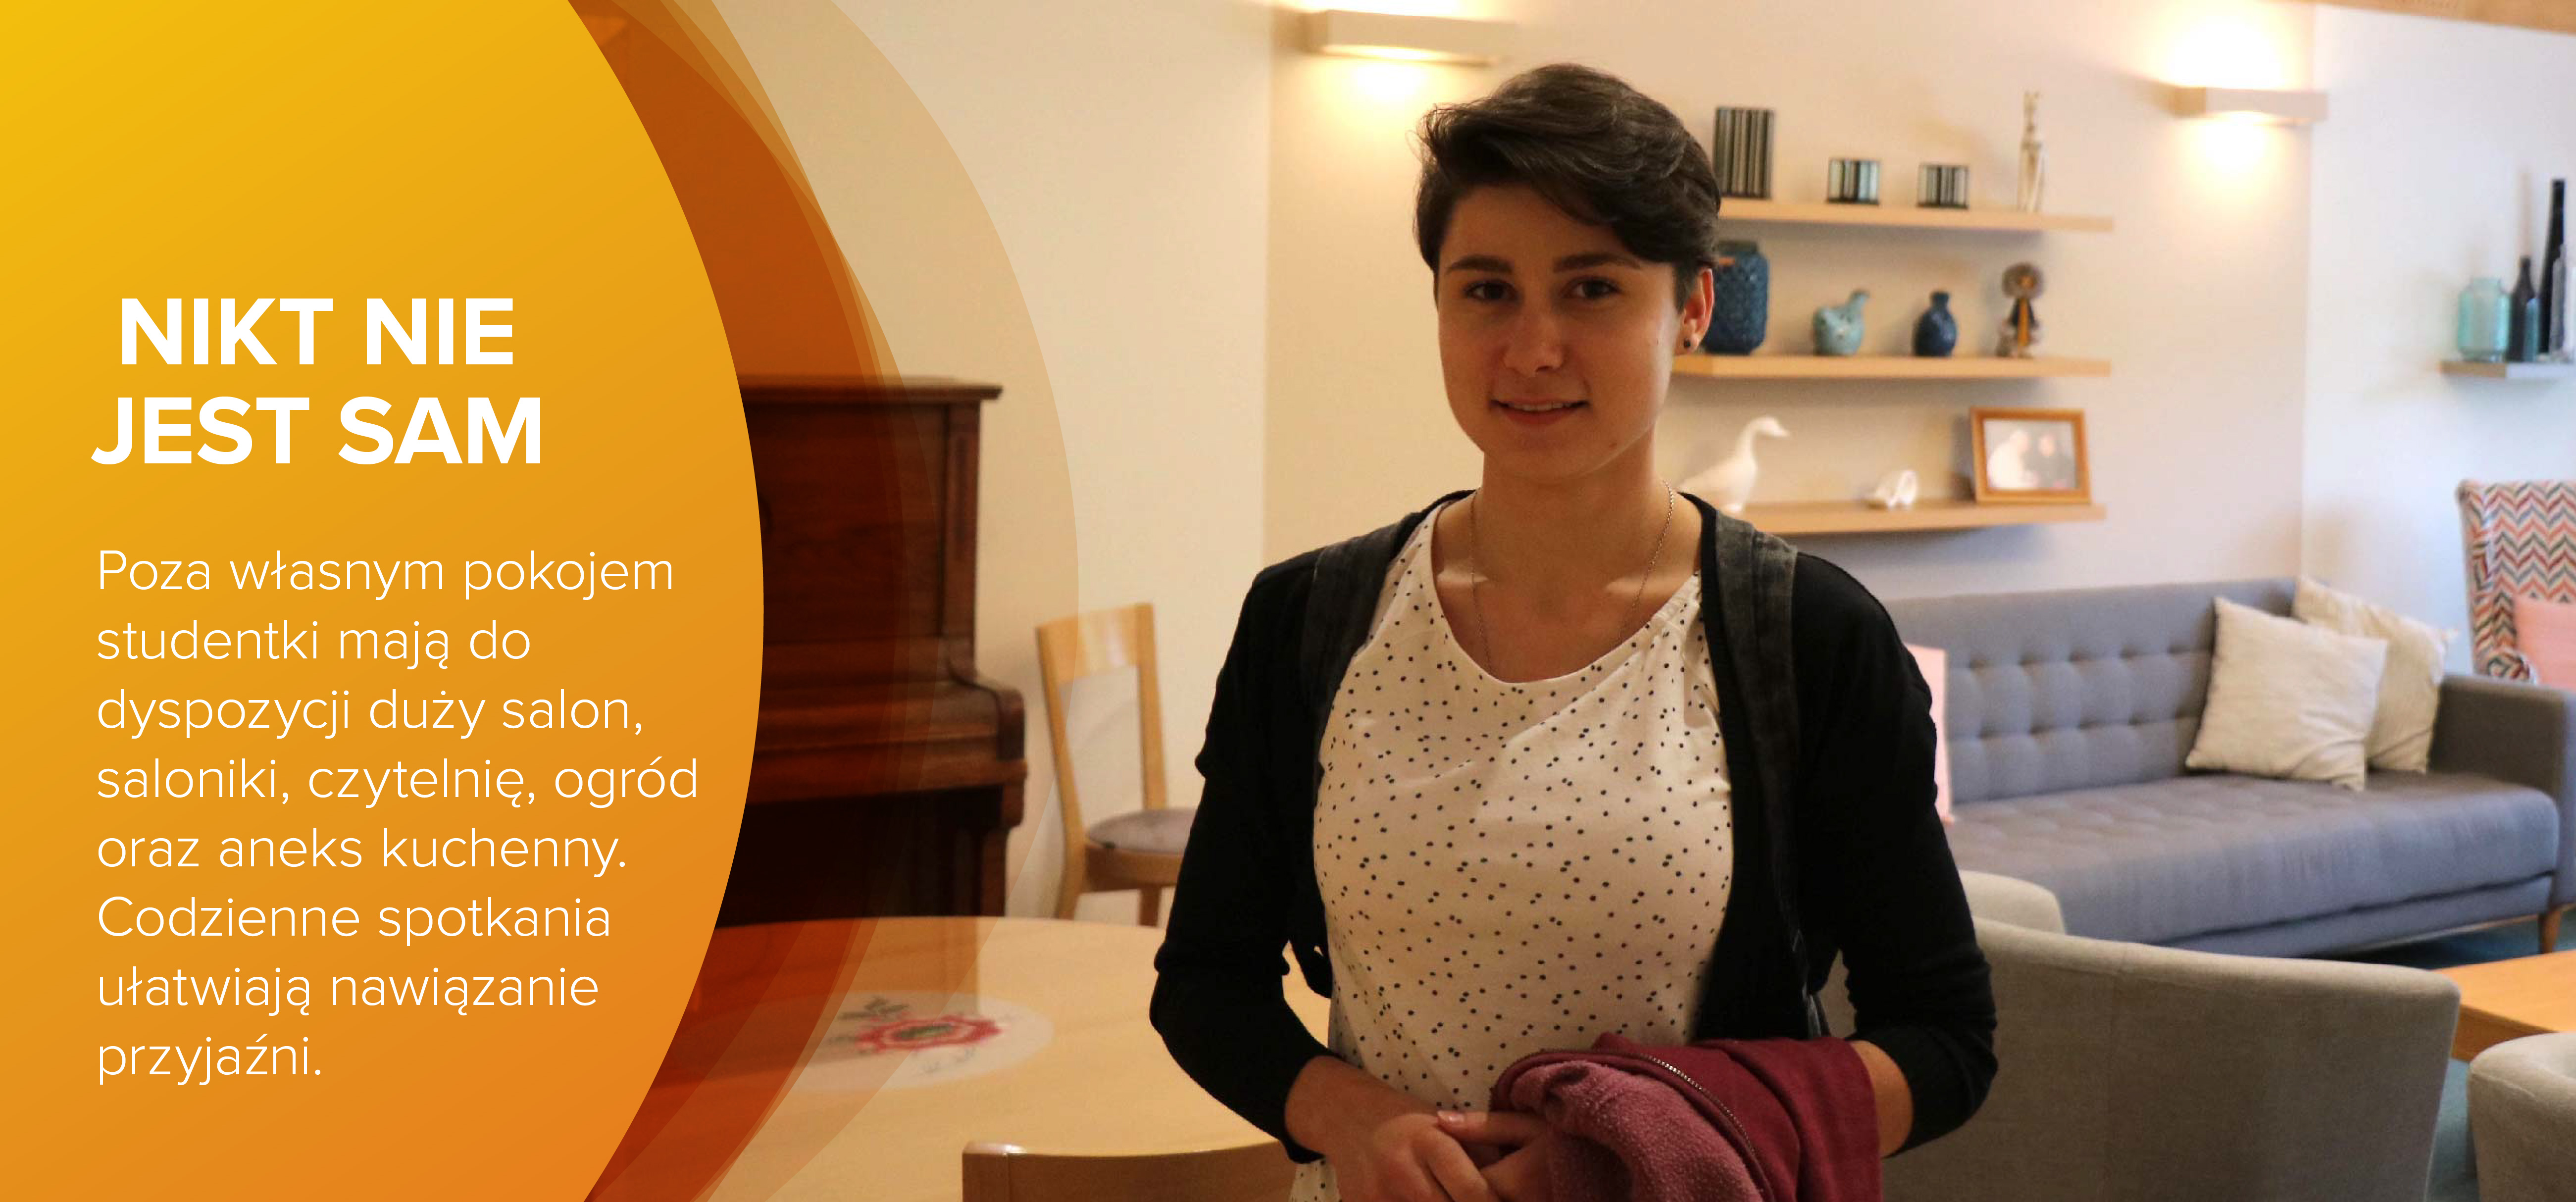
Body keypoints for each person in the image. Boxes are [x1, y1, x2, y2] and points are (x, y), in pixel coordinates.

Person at [1152, 63, 1994, 1202]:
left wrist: (1629, 1145)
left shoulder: (1809, 637)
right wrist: (1351, 1116)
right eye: (1486, 290)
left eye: (1592, 288)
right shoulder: (1309, 618)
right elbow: (1205, 983)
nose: (1532, 348)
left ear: (1692, 306)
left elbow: (1944, 1040)